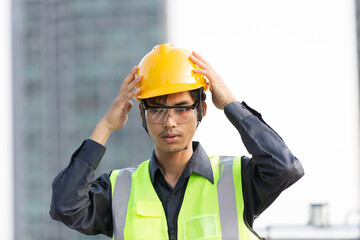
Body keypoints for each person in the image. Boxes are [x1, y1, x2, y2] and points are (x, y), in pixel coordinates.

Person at [50, 43, 304, 240]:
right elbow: (65, 206)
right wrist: (105, 126)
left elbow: (284, 167)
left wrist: (230, 104)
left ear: (201, 110)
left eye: (182, 109)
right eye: (157, 110)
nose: (169, 122)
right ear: (142, 114)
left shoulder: (238, 180)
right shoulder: (119, 190)